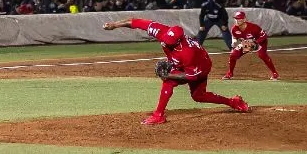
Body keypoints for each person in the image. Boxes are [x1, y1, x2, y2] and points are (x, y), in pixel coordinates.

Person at [103, 17, 250, 125]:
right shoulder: (163, 32)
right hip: (187, 65)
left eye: (169, 43)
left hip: (201, 67)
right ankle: (233, 102)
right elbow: (135, 22)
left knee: (177, 85)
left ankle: (159, 115)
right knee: (196, 94)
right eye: (165, 40)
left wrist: (169, 74)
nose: (165, 42)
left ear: (178, 41)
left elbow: (191, 76)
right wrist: (115, 25)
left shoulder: (188, 52)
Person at [224, 11, 279, 81]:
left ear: (244, 19)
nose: (237, 20)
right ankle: (230, 73)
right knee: (233, 55)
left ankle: (274, 73)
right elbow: (235, 37)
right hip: (247, 43)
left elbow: (264, 36)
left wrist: (256, 42)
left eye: (240, 19)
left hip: (260, 41)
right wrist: (234, 42)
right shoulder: (234, 29)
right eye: (236, 19)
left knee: (262, 55)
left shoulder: (254, 27)